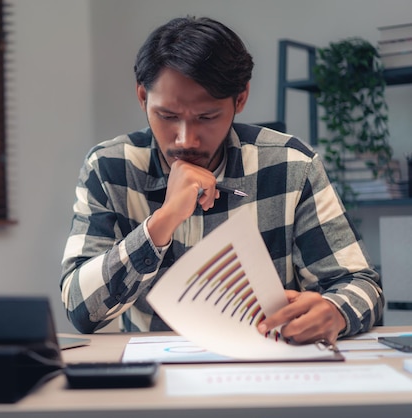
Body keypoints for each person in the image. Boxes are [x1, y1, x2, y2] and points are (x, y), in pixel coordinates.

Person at [60, 16, 384, 344]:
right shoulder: (109, 167)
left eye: (207, 117)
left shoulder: (291, 164)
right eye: (167, 116)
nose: (185, 140)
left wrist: (335, 311)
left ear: (240, 99)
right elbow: (80, 309)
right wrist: (162, 222)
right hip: (155, 377)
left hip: (268, 370)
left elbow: (361, 284)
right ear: (143, 97)